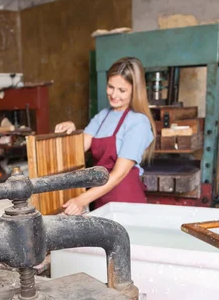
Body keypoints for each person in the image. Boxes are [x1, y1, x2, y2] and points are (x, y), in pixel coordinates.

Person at [55, 57, 156, 215]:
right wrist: (72, 131)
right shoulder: (103, 116)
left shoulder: (138, 122)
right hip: (100, 199)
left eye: (122, 90)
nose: (114, 94)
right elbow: (78, 148)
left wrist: (81, 200)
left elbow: (118, 174)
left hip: (125, 202)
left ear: (135, 91)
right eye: (110, 87)